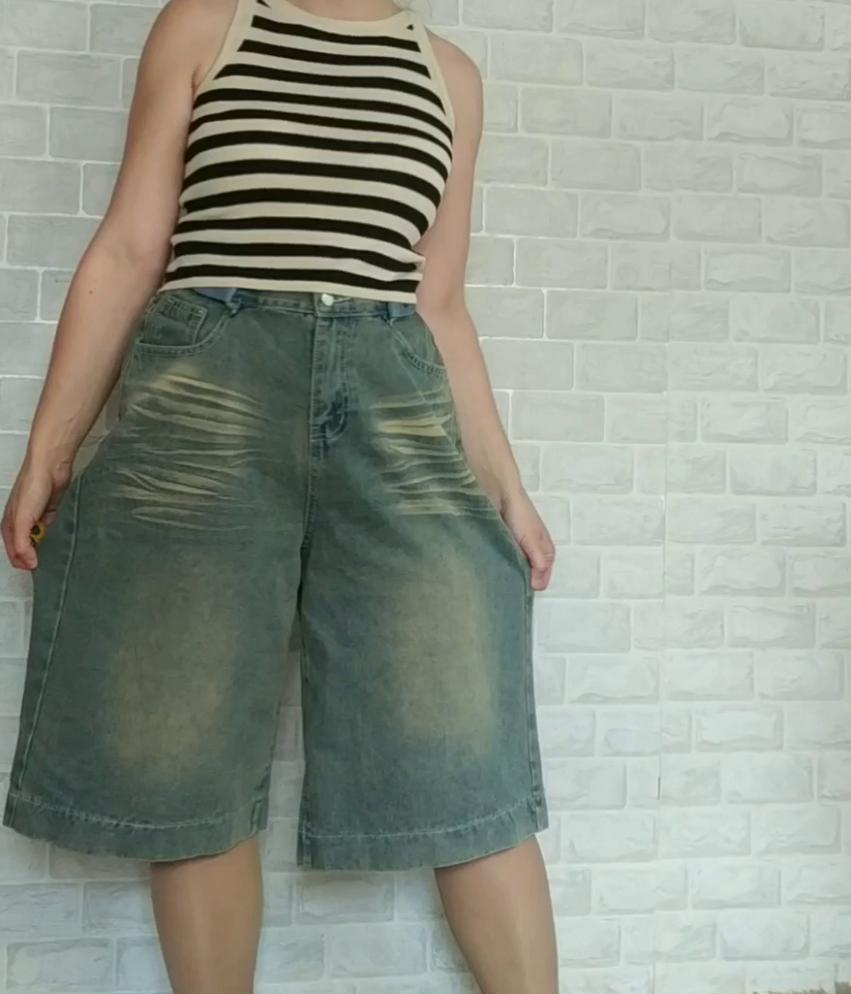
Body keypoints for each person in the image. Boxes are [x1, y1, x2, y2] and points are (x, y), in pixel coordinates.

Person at [0, 0, 559, 989]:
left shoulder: (449, 78)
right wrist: (52, 441)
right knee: (188, 750)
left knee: (464, 751)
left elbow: (439, 303)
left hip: (392, 408)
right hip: (205, 405)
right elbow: (131, 247)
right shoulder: (207, 25)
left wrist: (504, 488)